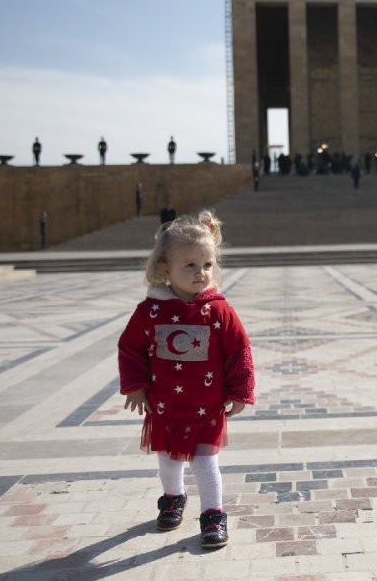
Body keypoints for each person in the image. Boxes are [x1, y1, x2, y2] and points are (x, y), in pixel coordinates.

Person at [117, 211, 255, 549]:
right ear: (166, 269)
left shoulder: (218, 308)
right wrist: (135, 385)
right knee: (168, 459)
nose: (200, 273)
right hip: (165, 403)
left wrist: (240, 390)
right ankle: (173, 497)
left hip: (207, 404)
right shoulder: (150, 310)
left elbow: (239, 349)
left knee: (205, 463)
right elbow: (130, 347)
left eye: (207, 265)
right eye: (190, 266)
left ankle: (212, 515)